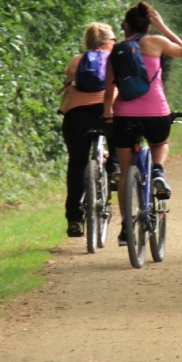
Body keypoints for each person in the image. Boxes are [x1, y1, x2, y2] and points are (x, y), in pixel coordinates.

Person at [103, 2, 182, 247]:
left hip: (124, 115)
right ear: (148, 25)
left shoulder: (117, 51)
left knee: (124, 172)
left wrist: (108, 116)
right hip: (156, 112)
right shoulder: (156, 42)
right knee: (160, 144)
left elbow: (109, 91)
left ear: (126, 26)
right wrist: (162, 27)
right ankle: (158, 170)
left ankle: (125, 228)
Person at [59, 22, 118, 238]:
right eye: (114, 40)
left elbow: (69, 85)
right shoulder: (115, 59)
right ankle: (115, 166)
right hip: (107, 112)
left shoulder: (77, 61)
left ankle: (74, 219)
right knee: (119, 133)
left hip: (77, 116)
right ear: (108, 41)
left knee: (77, 163)